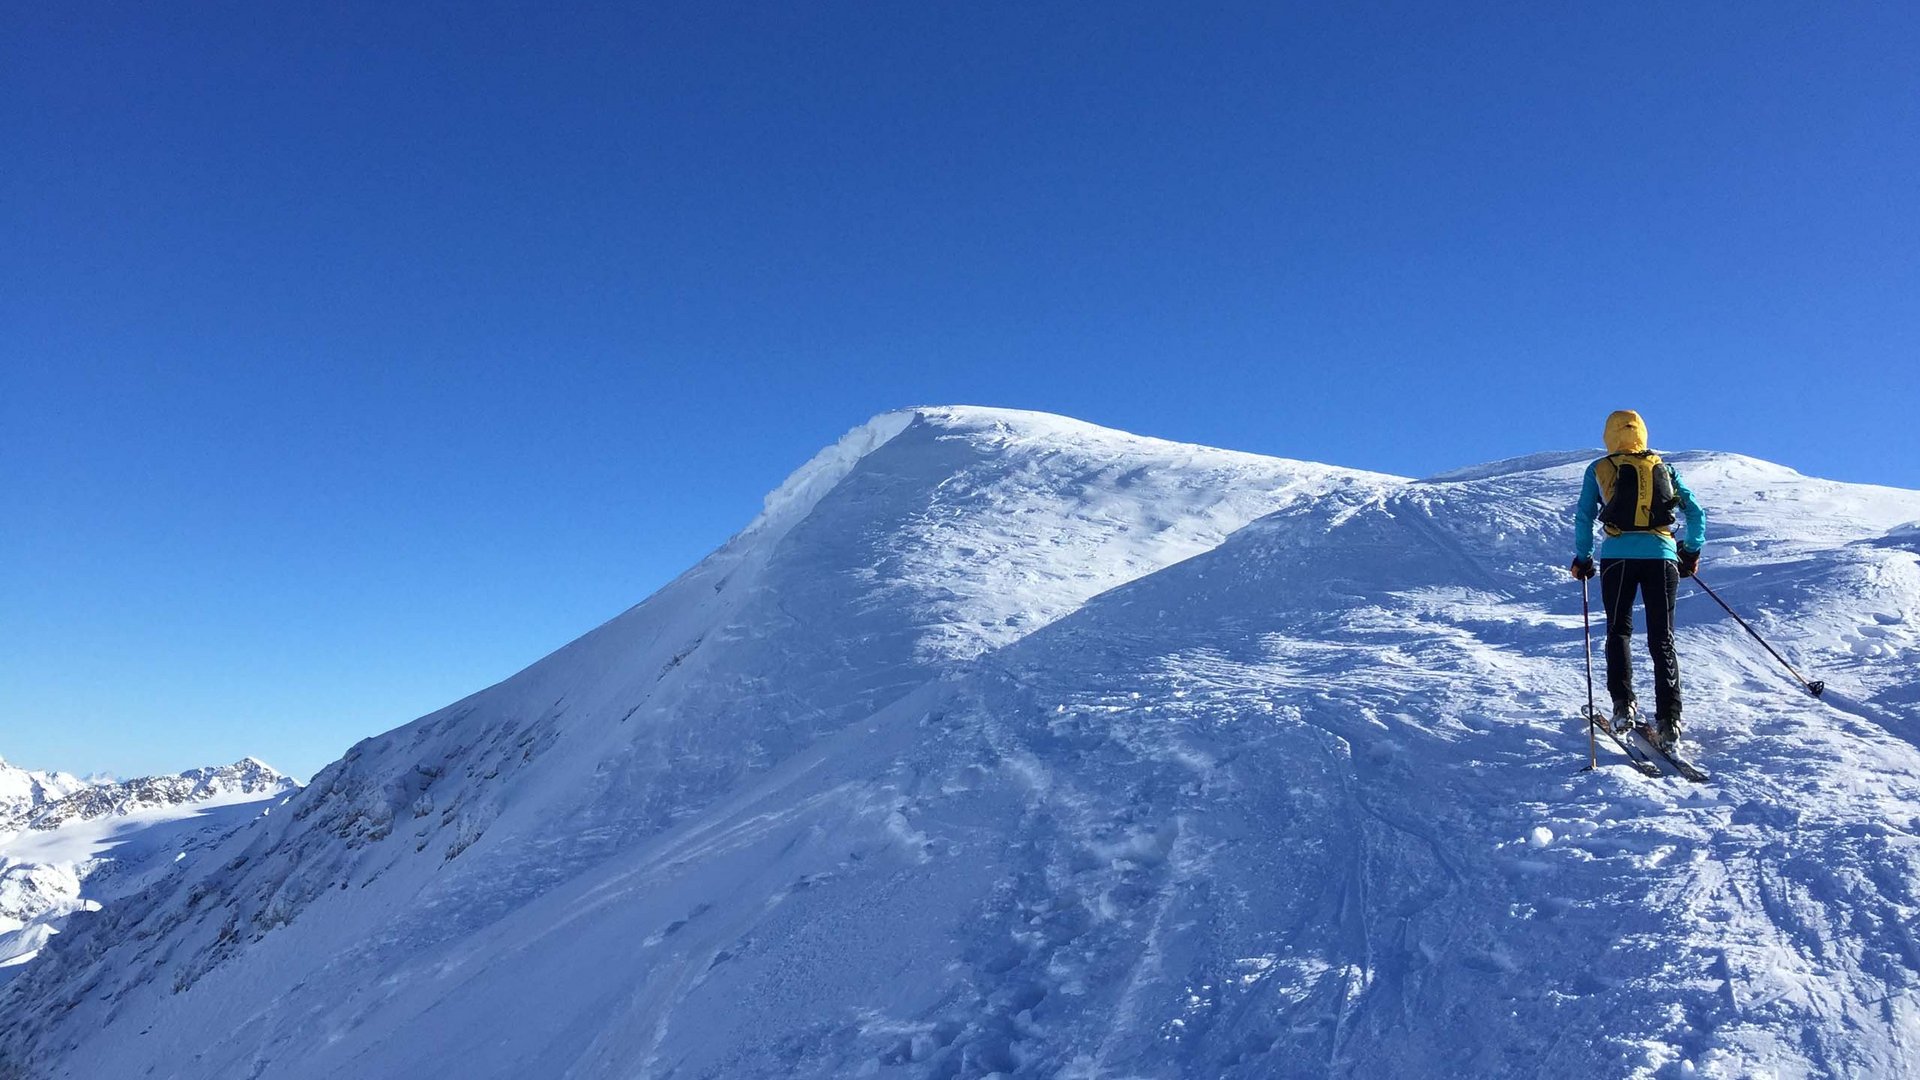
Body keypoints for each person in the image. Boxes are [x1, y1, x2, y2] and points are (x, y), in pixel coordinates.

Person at [1569, 410, 1707, 751]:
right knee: (1663, 637)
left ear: (1609, 435)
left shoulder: (1600, 468)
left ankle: (1623, 706)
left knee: (1619, 630)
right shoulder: (1663, 467)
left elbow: (1584, 516)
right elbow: (1696, 513)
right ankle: (1670, 719)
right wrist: (1689, 552)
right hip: (1661, 557)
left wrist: (1583, 559)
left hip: (1618, 558)